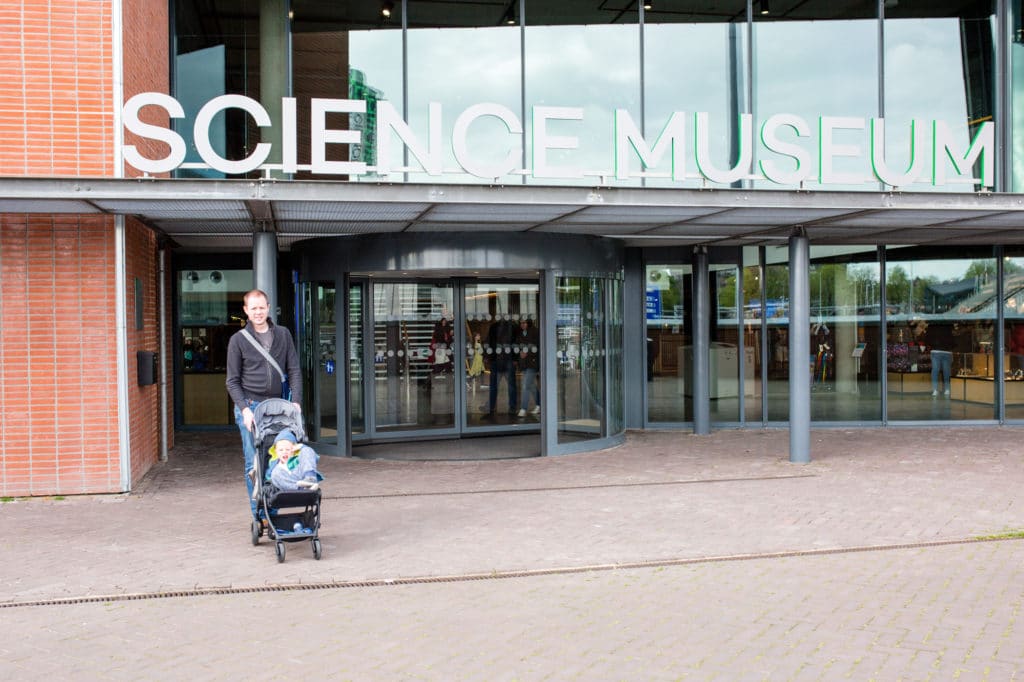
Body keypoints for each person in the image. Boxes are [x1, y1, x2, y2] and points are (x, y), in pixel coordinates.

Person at [225, 289, 303, 517]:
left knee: (280, 458)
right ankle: (260, 515)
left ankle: (275, 509)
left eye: (262, 307)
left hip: (279, 408)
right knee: (254, 464)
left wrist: (296, 402)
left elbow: (294, 370)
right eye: (253, 308)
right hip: (251, 407)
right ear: (246, 311)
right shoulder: (238, 340)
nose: (258, 312)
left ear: (268, 308)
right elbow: (232, 381)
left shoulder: (283, 334)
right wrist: (245, 410)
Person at [486, 316, 517, 416]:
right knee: (510, 386)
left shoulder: (495, 326)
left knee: (495, 386)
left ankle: (491, 407)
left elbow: (489, 342)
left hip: (500, 360)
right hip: (505, 359)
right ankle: (511, 407)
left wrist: (489, 357)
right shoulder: (512, 326)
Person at [516, 317, 540, 417]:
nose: (522, 325)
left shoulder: (535, 332)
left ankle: (523, 408)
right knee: (531, 386)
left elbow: (538, 347)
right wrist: (520, 353)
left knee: (526, 385)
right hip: (524, 363)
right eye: (521, 323)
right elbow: (519, 346)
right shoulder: (521, 333)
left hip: (532, 363)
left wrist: (527, 353)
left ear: (528, 323)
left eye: (524, 323)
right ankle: (540, 405)